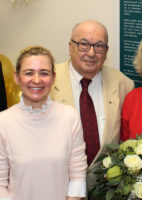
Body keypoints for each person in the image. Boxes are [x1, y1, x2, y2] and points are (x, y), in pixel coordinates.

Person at [50, 20, 134, 190]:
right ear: (70, 46)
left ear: (106, 51)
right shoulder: (47, 82)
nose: (91, 52)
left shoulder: (123, 85)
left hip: (105, 189)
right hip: (58, 187)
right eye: (83, 44)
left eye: (99, 46)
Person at [0, 46, 87, 200]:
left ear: (53, 78)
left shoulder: (69, 117)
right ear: (17, 77)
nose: (37, 80)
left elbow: (77, 175)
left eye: (44, 73)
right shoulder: (3, 122)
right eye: (28, 73)